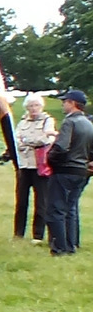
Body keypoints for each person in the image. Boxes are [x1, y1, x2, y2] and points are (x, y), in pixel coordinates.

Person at [46, 90, 91, 256]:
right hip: (81, 171)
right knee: (70, 209)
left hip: (64, 170)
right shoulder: (88, 123)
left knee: (56, 210)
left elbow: (62, 146)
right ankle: (71, 245)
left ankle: (59, 247)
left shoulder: (69, 122)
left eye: (65, 101)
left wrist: (50, 159)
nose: (63, 104)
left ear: (72, 103)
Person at [13, 93, 57, 244]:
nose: (33, 108)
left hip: (40, 167)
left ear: (41, 106)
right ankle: (18, 233)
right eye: (30, 106)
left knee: (41, 202)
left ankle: (38, 235)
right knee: (21, 201)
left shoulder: (48, 120)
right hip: (24, 165)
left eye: (36, 105)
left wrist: (27, 141)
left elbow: (46, 139)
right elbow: (16, 140)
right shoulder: (23, 121)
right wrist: (30, 142)